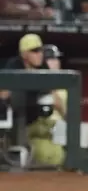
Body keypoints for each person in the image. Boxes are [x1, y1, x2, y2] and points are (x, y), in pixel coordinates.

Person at [1, 35, 66, 166]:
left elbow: (53, 94)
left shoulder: (43, 68)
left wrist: (69, 117)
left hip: (34, 118)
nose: (40, 54)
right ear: (24, 54)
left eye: (41, 51)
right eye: (35, 51)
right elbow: (3, 94)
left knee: (54, 153)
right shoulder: (14, 66)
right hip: (15, 120)